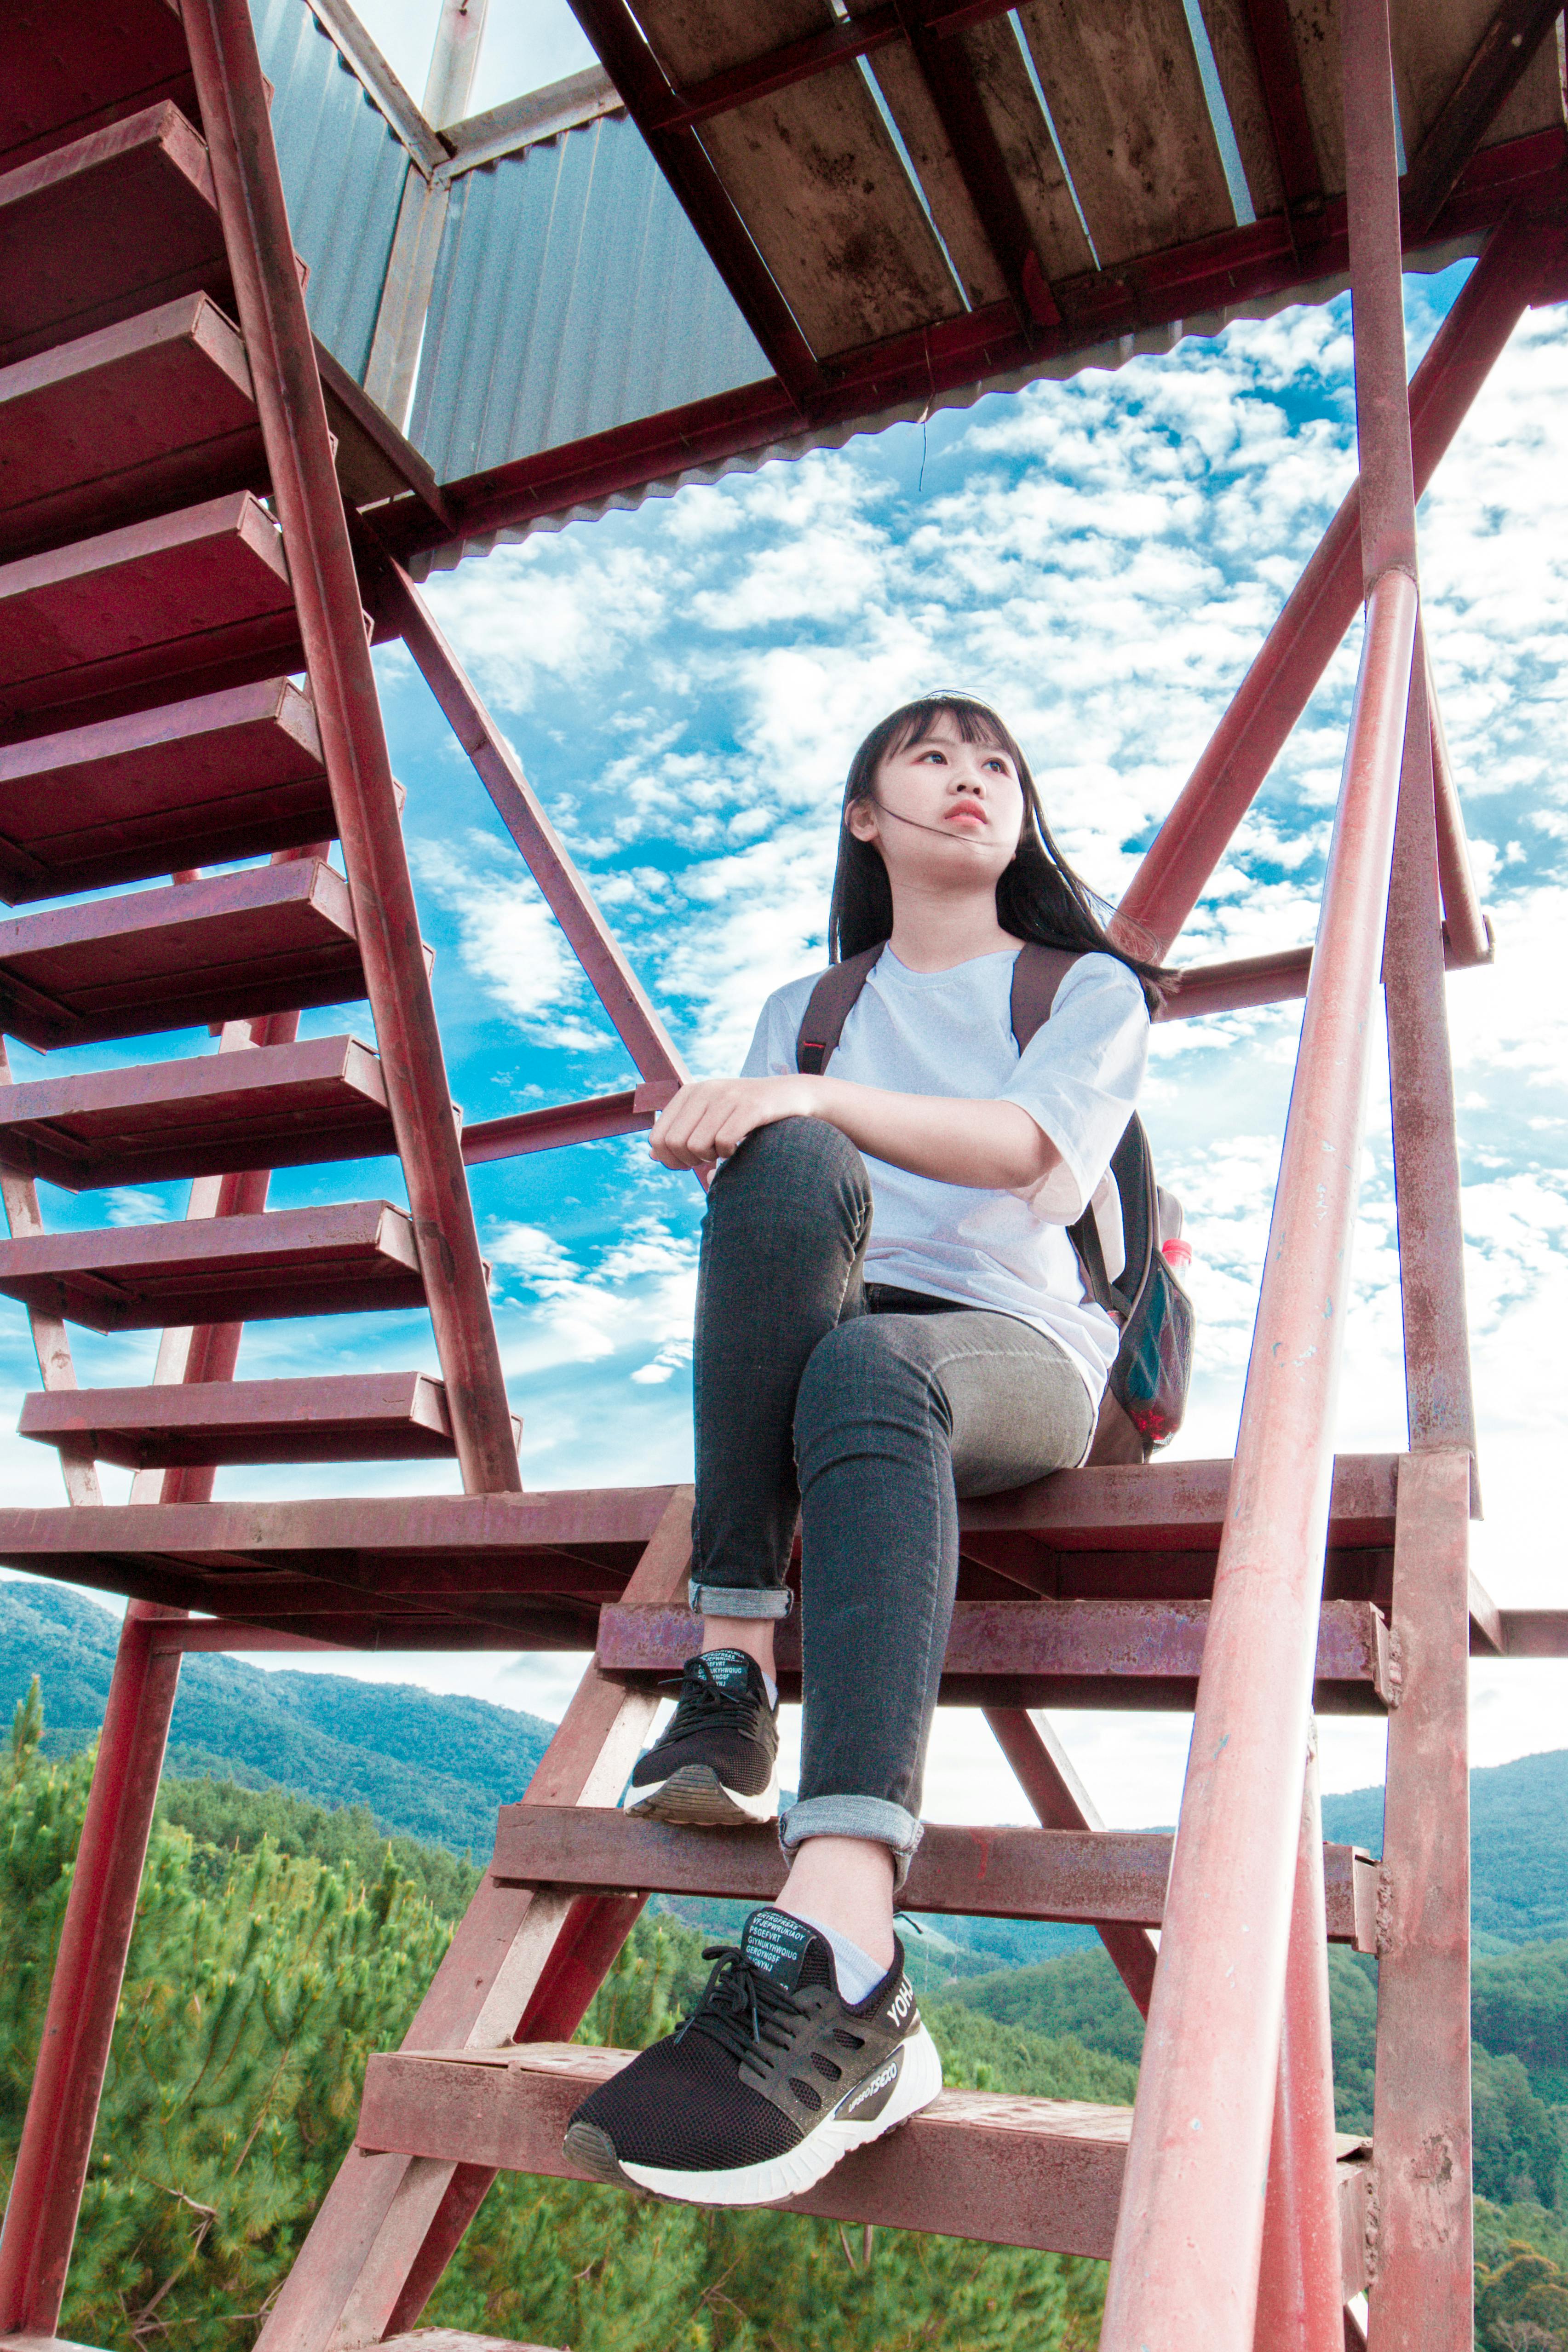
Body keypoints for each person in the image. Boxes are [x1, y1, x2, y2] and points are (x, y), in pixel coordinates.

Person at [565, 692, 1165, 2208]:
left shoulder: (1081, 988)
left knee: (864, 1341)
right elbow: (784, 1209)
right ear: (863, 815)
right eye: (930, 756)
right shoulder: (811, 1006)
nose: (970, 780)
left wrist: (810, 1095)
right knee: (797, 1192)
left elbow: (1037, 1158)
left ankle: (845, 1947)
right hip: (838, 1352)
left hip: (1017, 1357)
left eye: (996, 763)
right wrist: (785, 1109)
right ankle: (725, 1675)